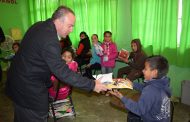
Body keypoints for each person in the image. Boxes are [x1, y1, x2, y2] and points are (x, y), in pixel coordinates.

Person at [5, 6, 108, 122]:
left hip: (18, 82)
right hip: (29, 90)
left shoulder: (39, 25)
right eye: (70, 26)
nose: (72, 30)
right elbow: (62, 72)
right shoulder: (50, 40)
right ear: (59, 21)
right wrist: (92, 84)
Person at [110, 55, 171, 122]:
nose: (142, 71)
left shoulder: (151, 90)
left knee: (132, 114)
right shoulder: (162, 83)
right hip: (162, 119)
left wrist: (121, 97)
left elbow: (139, 110)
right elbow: (145, 87)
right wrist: (132, 84)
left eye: (145, 69)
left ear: (154, 72)